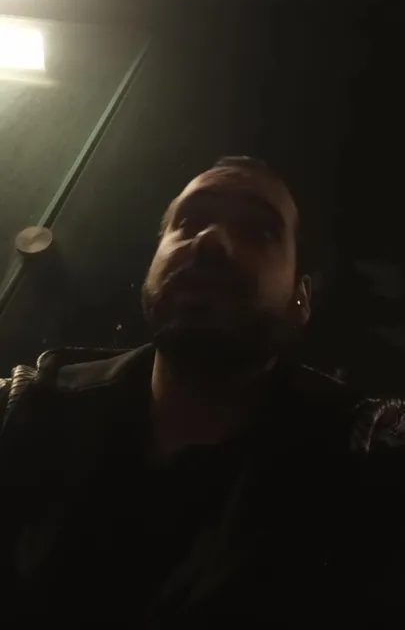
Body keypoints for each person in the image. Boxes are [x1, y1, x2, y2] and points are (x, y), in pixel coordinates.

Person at [0, 155, 404, 625]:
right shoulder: (26, 409)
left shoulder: (367, 458)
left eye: (261, 230)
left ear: (301, 298)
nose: (210, 240)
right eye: (190, 221)